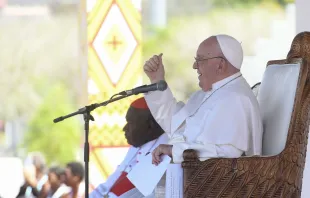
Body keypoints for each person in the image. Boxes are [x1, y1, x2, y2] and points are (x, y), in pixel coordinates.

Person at [143, 34, 263, 165]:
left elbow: (225, 156)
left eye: (200, 60)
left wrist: (174, 151)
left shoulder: (236, 98)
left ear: (220, 65)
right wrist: (156, 80)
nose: (195, 66)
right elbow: (175, 126)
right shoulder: (203, 95)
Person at [89, 97, 168, 198]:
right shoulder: (136, 147)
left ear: (150, 125)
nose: (124, 128)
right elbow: (109, 184)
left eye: (130, 123)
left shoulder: (165, 154)